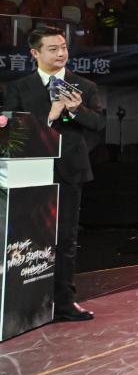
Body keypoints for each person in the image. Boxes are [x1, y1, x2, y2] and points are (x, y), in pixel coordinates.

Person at [3, 27, 105, 321]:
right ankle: (26, 305)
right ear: (35, 53)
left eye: (64, 47)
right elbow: (12, 131)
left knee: (65, 238)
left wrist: (76, 110)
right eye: (53, 49)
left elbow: (99, 124)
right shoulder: (18, 87)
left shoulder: (83, 85)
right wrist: (51, 114)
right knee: (26, 238)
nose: (61, 53)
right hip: (28, 172)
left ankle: (64, 302)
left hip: (69, 170)